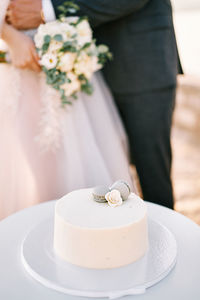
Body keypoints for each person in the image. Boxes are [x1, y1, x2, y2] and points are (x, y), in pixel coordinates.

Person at [7, 0, 183, 209]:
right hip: (77, 70)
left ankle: (163, 238)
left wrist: (47, 9)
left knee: (152, 175)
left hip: (138, 63)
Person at [0, 0, 133, 220]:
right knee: (32, 160)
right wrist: (10, 37)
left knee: (78, 149)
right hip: (19, 61)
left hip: (67, 48)